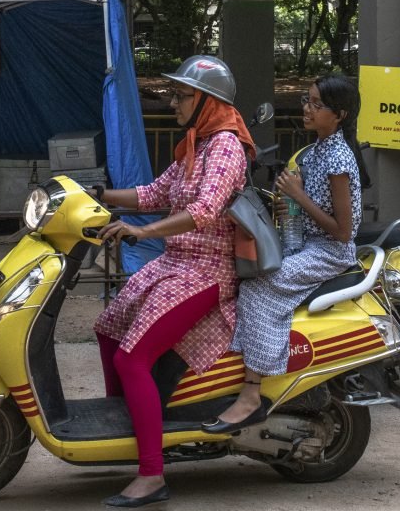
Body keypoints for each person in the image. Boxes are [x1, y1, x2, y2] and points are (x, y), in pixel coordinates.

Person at [93, 54, 255, 508]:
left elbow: (203, 212)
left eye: (181, 95)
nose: (172, 104)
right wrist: (95, 194)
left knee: (132, 360)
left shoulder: (224, 147)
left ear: (208, 101)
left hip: (205, 273)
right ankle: (127, 428)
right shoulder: (195, 145)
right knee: (107, 329)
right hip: (175, 264)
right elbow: (154, 193)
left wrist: (142, 231)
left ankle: (151, 475)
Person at [201, 72, 363, 434]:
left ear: (339, 116)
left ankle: (252, 393)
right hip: (306, 243)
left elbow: (343, 231)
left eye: (317, 104)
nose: (307, 108)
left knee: (259, 285)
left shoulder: (338, 157)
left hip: (329, 252)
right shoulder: (315, 150)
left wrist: (299, 196)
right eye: (307, 100)